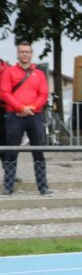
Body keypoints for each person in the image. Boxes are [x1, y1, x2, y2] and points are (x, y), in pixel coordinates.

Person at [1, 41, 50, 195]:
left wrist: (32, 108)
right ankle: (8, 186)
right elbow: (4, 93)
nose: (24, 54)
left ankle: (43, 186)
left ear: (31, 54)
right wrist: (20, 107)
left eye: (27, 51)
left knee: (38, 150)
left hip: (34, 116)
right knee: (11, 150)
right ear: (17, 54)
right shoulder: (9, 72)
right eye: (21, 51)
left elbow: (43, 94)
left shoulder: (39, 74)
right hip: (14, 115)